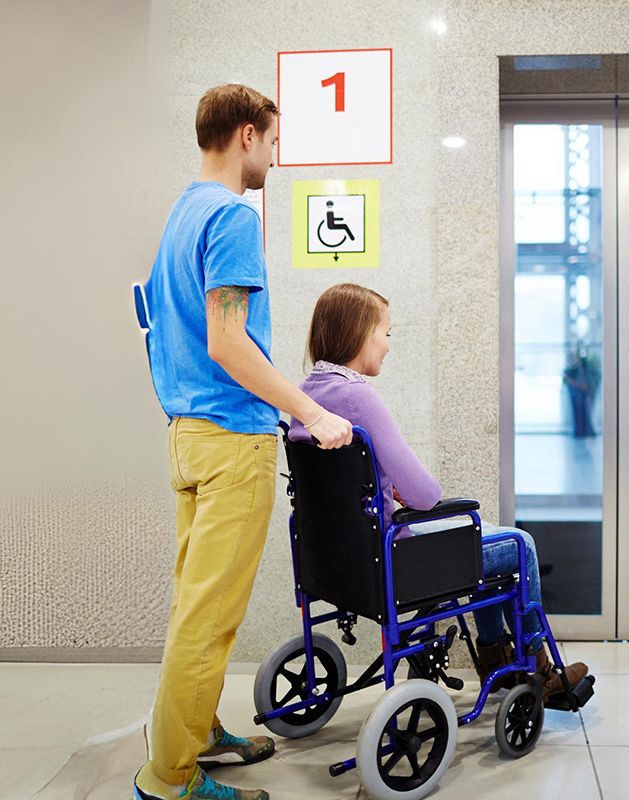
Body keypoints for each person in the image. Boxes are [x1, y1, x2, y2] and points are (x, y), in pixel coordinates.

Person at [134, 84, 354, 800]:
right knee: (210, 613)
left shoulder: (181, 213)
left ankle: (196, 734)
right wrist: (310, 413)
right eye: (275, 142)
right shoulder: (231, 214)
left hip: (189, 434)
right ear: (247, 136)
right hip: (232, 438)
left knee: (194, 605)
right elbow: (229, 342)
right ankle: (169, 779)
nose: (276, 158)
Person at [287, 283, 590, 699]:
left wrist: (384, 488)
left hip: (335, 562)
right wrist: (405, 492)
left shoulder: (305, 394)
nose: (388, 346)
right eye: (386, 333)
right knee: (519, 544)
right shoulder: (357, 395)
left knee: (485, 550)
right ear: (360, 332)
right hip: (392, 556)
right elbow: (427, 496)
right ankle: (536, 663)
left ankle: (494, 658)